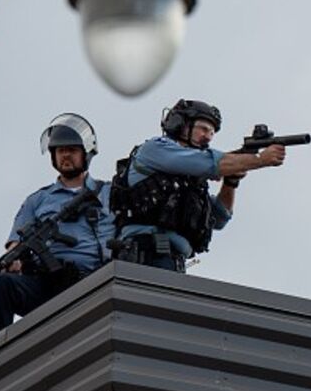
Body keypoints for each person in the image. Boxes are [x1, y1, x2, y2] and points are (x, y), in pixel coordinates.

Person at [0, 113, 115, 341]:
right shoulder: (38, 200)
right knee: (0, 285)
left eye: (71, 150)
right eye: (60, 151)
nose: (65, 156)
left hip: (95, 282)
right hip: (48, 283)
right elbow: (16, 243)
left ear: (85, 153)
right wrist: (13, 260)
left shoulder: (110, 192)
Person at [110, 99, 286, 272]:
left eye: (212, 132)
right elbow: (210, 163)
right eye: (203, 128)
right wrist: (259, 160)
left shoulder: (189, 179)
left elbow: (220, 217)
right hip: (144, 255)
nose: (208, 137)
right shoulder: (155, 149)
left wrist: (231, 183)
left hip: (173, 261)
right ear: (180, 125)